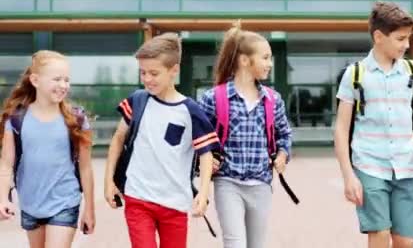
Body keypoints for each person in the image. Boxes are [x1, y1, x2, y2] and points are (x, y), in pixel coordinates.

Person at [103, 33, 218, 248]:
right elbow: (118, 138)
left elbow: (205, 154)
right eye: (143, 72)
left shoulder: (190, 111)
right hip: (138, 198)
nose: (147, 79)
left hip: (175, 204)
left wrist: (203, 193)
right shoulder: (137, 101)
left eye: (154, 73)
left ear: (174, 70)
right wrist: (108, 181)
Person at [334, 1, 413, 248]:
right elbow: (342, 129)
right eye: (400, 39)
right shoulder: (355, 75)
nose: (407, 45)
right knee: (379, 235)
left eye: (408, 38)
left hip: (406, 168)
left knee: (405, 241)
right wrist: (348, 176)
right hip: (369, 165)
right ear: (378, 36)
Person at [199, 24, 293, 248]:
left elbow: (284, 134)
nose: (270, 63)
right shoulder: (214, 98)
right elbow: (198, 137)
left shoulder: (273, 99)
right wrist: (205, 157)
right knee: (235, 243)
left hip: (261, 184)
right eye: (265, 58)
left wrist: (282, 154)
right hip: (227, 182)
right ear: (244, 60)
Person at [0, 50, 95, 247]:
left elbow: (86, 168)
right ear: (35, 80)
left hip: (65, 201)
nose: (63, 85)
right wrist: (2, 198)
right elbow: (6, 164)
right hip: (30, 204)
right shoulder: (16, 119)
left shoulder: (77, 120)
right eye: (57, 79)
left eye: (66, 80)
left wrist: (90, 209)